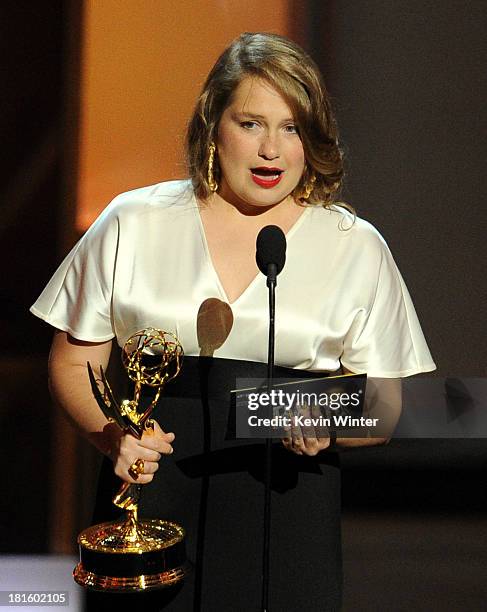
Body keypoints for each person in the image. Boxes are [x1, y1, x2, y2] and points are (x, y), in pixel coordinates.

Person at [31, 32, 435, 611]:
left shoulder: (355, 245)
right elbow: (73, 360)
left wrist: (328, 425)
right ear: (213, 127)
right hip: (153, 491)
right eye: (251, 124)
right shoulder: (135, 221)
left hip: (288, 503)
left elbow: (385, 405)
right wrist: (111, 436)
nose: (272, 149)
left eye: (291, 127)